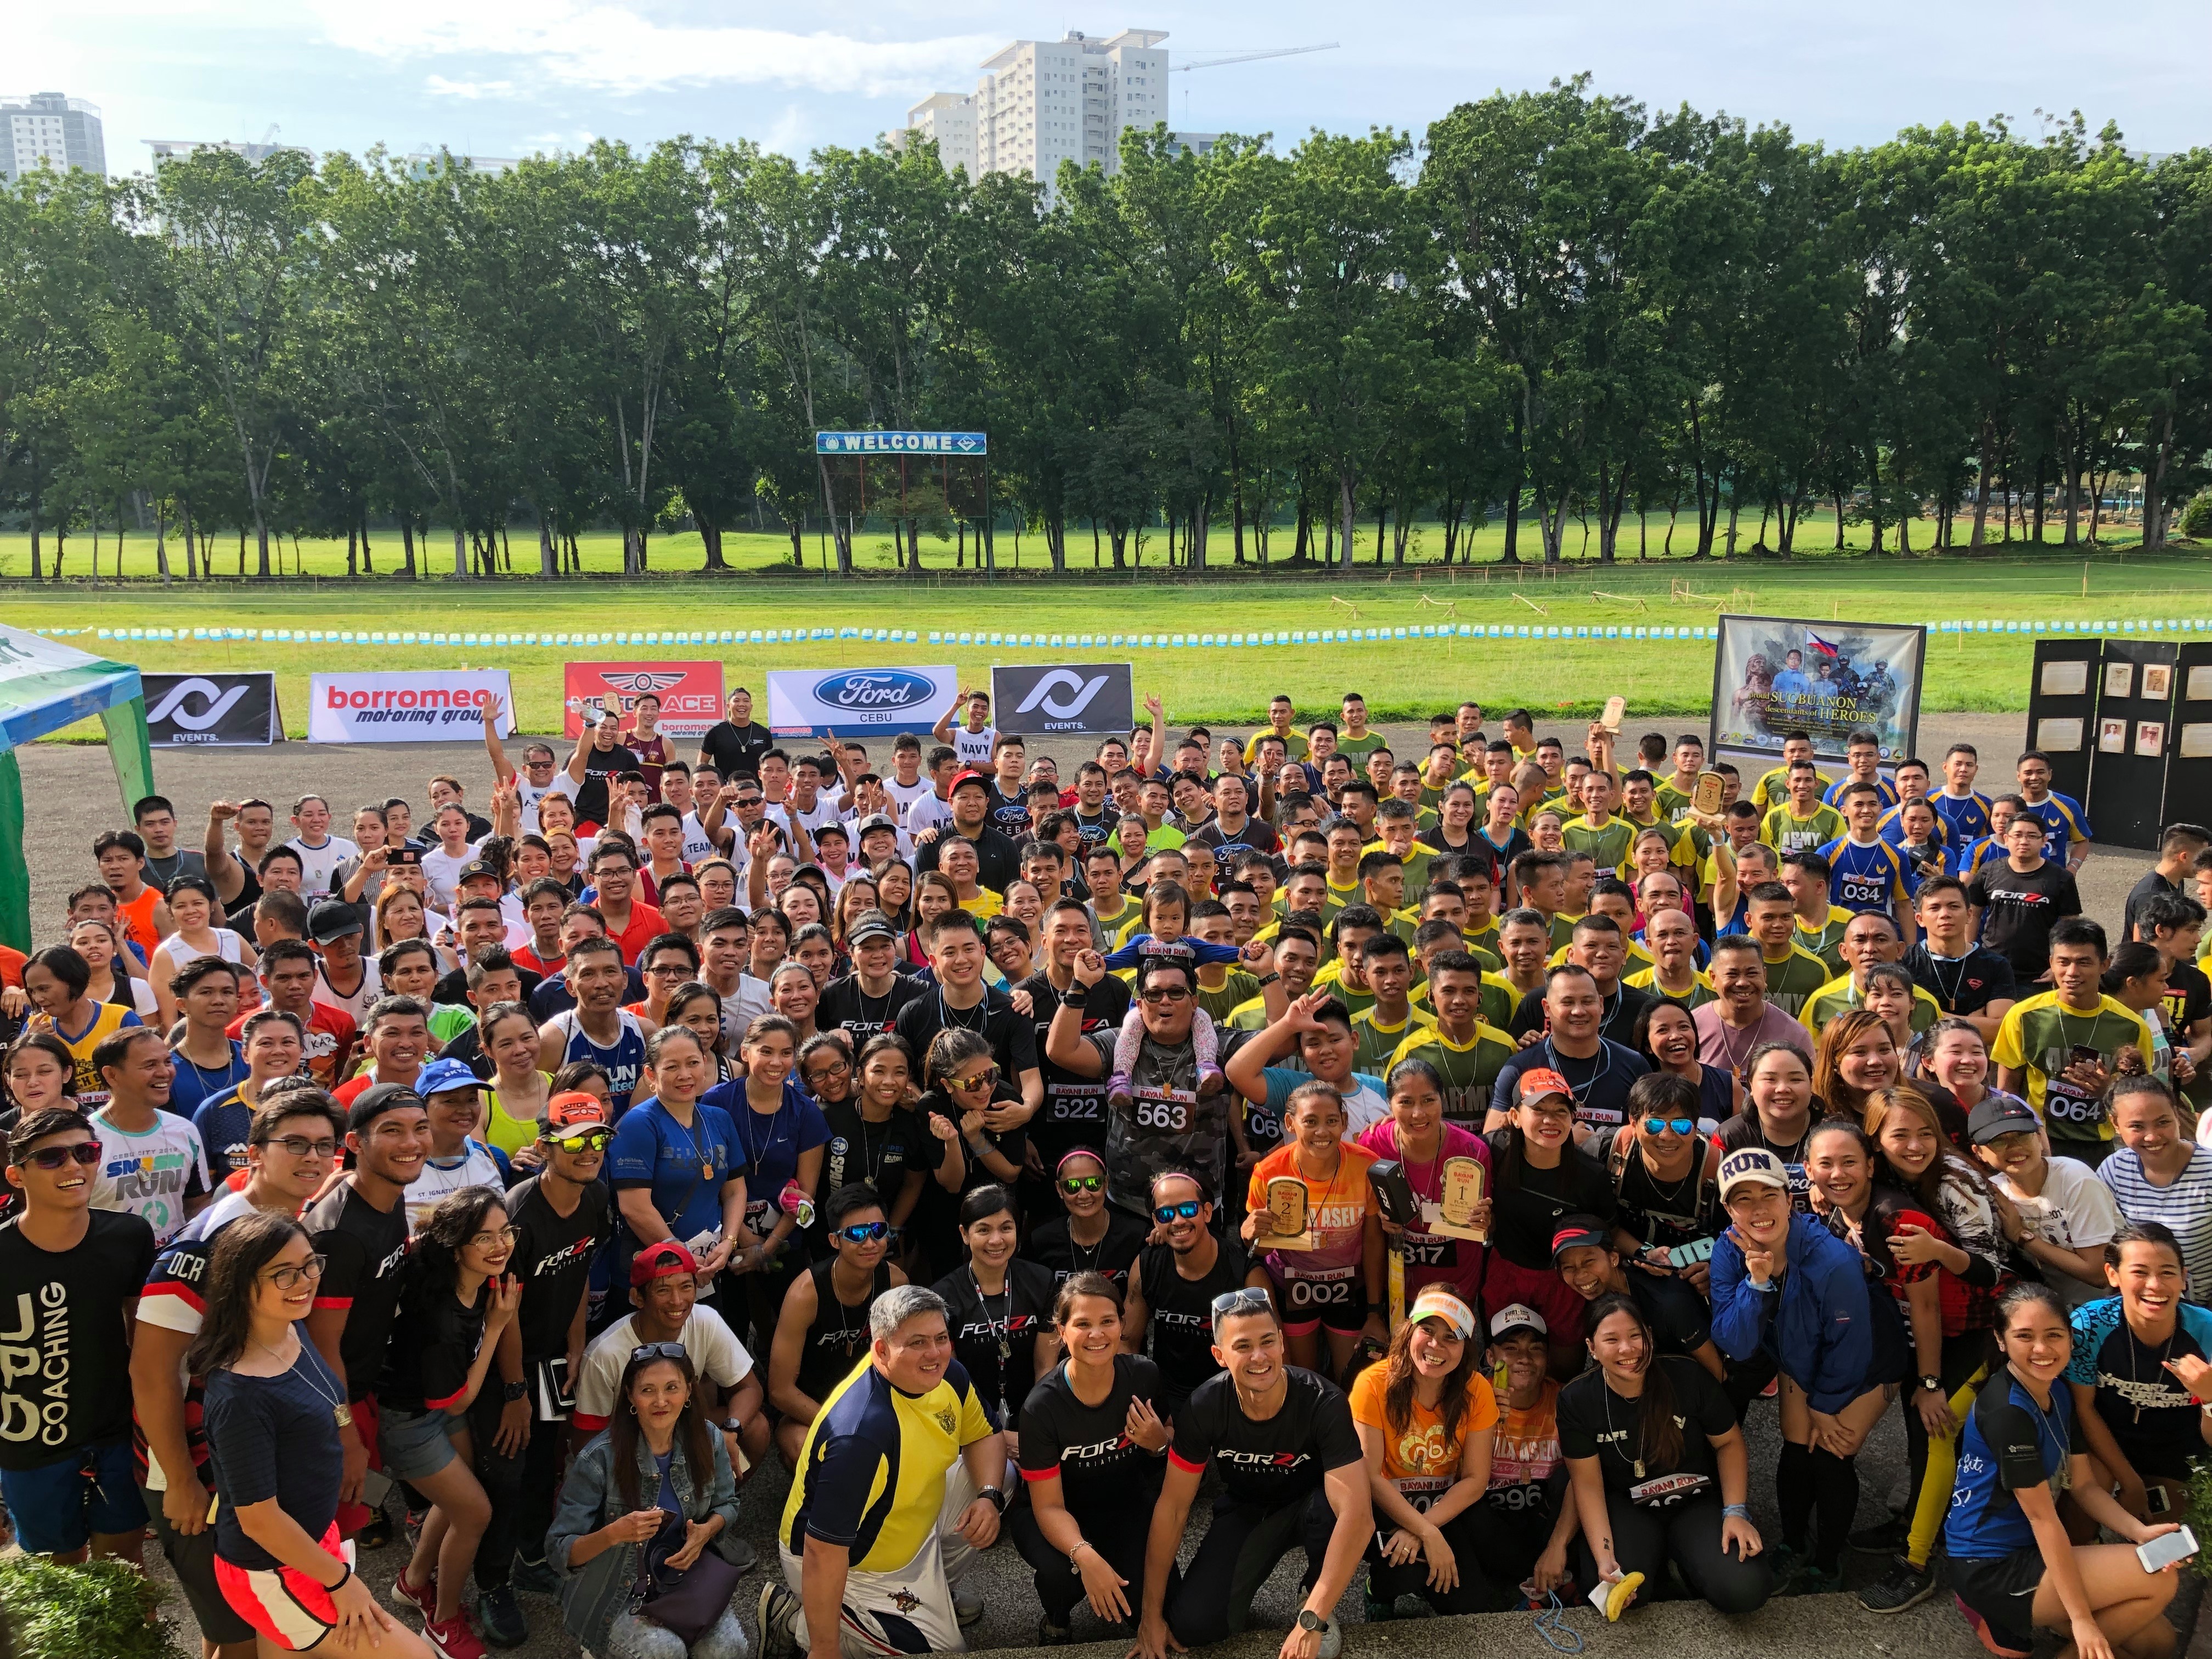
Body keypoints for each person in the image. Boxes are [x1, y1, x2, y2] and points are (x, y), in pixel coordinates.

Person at [134, 1086, 349, 1658]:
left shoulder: (285, 1229)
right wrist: (180, 1481)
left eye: (324, 1145)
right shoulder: (203, 1246)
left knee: (249, 1633)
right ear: (253, 1153)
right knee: (238, 1639)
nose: (312, 1158)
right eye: (295, 1144)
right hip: (196, 1469)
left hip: (249, 1457)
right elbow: (152, 1372)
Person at [193, 1209, 435, 1659]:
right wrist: (342, 1582)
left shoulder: (291, 1328)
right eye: (283, 1273)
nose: (305, 1281)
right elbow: (259, 1520)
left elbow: (327, 1390)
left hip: (309, 1543)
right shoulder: (240, 1397)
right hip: (274, 1569)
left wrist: (346, 1438)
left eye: (310, 1264)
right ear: (240, 1283)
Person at [759, 1284, 1003, 1659]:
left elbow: (985, 1435)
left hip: (907, 1522)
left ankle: (933, 1595)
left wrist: (989, 1496)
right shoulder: (861, 1436)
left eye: (941, 1338)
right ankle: (799, 1622)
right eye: (917, 1343)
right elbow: (823, 1551)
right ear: (881, 1350)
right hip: (857, 1565)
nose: (935, 1354)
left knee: (1000, 1477)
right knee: (946, 1654)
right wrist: (824, 1650)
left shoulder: (947, 1374)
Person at [1944, 1282, 2183, 1659]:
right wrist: (2082, 1620)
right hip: (1991, 1566)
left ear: (2070, 1338)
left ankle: (2040, 1622)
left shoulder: (2055, 1390)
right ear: (2001, 1340)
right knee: (2159, 1581)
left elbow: (2084, 1486)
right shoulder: (2009, 1413)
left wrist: (2140, 1532)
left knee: (2158, 1643)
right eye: (2025, 1336)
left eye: (2054, 1335)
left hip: (2032, 1551)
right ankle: (2013, 1620)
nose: (2042, 1349)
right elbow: (2043, 1519)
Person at [1131, 1288, 1371, 1659]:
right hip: (1248, 1508)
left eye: (1268, 1342)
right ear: (1219, 1355)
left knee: (1332, 1511)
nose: (1259, 1357)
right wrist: (1151, 1616)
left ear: (1282, 1344)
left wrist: (1313, 1617)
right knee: (1194, 1625)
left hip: (1314, 1506)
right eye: (1243, 1346)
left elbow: (1358, 1516)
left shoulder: (1323, 1401)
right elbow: (1173, 1508)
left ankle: (1313, 1593)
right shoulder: (1204, 1406)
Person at [1706, 1146, 1883, 1594]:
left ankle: (1828, 1562)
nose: (1758, 1210)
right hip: (1800, 1354)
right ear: (1728, 1209)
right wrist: (1757, 1283)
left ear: (1790, 1199)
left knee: (1831, 1452)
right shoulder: (1729, 1249)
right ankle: (1792, 1543)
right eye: (1743, 1199)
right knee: (1795, 1446)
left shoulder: (1834, 1261)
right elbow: (1736, 1343)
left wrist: (1824, 1405)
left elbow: (1852, 1347)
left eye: (1769, 1195)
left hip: (1868, 1361)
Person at [0, 1105, 157, 1565]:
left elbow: (146, 1344)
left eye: (86, 1153)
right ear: (16, 1176)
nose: (73, 1167)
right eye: (51, 1158)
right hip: (30, 1447)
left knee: (123, 1568)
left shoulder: (129, 1235)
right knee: (58, 1577)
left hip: (116, 1435)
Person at [1557, 1293, 1773, 1618]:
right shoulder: (1577, 1399)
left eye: (1635, 1336)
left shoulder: (1687, 1376)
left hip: (1694, 1500)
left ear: (1650, 1335)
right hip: (1628, 1505)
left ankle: (1686, 1563)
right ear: (1592, 1347)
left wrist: (1736, 1512)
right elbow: (1587, 1483)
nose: (1627, 1349)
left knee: (1745, 1590)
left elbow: (1729, 1442)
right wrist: (1605, 1557)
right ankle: (1661, 1564)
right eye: (1611, 1340)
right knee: (1618, 1594)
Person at [378, 1185, 523, 1659]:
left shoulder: (473, 1279)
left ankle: (414, 1581)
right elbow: (459, 1403)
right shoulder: (441, 1315)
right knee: (475, 1512)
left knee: (463, 1493)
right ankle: (441, 1624)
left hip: (433, 1409)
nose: (500, 1246)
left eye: (506, 1232)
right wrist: (497, 1326)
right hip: (411, 1421)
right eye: (484, 1238)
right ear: (456, 1247)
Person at [488, 1090, 615, 1611]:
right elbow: (504, 1314)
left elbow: (580, 1268)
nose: (590, 1152)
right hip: (507, 1359)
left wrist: (577, 1345)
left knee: (544, 1458)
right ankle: (492, 1579)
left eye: (598, 1139)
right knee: (507, 1469)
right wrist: (515, 1390)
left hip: (554, 1353)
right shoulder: (517, 1214)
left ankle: (532, 1557)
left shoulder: (596, 1197)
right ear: (544, 1148)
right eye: (576, 1142)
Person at [547, 1344, 750, 1659]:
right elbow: (559, 1550)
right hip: (614, 1592)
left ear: (688, 1392)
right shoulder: (598, 1458)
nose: (660, 1401)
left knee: (728, 1650)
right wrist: (613, 1534)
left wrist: (706, 1532)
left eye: (671, 1388)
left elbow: (728, 1504)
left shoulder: (709, 1438)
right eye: (647, 1390)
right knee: (665, 1653)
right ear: (630, 1396)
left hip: (680, 1579)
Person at [1009, 1272, 1172, 1644]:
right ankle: (1057, 1617)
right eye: (1083, 1324)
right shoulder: (1041, 1407)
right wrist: (1085, 1556)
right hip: (1056, 1511)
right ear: (1062, 1332)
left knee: (1165, 1611)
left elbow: (1168, 1439)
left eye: (1107, 1322)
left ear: (1122, 1326)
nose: (1097, 1334)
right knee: (1062, 1574)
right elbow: (1048, 1506)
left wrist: (1159, 1443)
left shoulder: (1143, 1376)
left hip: (1124, 1503)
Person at [303, 1081, 431, 1545]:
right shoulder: (339, 1236)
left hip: (367, 1385)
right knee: (332, 1536)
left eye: (420, 1128)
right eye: (393, 1130)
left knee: (357, 1510)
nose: (412, 1143)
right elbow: (320, 1349)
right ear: (356, 1143)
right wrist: (346, 1437)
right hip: (335, 1403)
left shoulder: (388, 1190)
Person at [1348, 1286, 1500, 1621]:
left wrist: (1425, 1528)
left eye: (1450, 1337)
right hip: (1385, 1504)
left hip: (1441, 1503)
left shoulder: (1477, 1390)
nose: (1435, 1345)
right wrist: (1428, 1534)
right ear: (1409, 1331)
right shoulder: (1372, 1384)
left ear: (1466, 1347)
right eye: (1427, 1330)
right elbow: (1370, 1476)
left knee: (1469, 1604)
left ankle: (1427, 1573)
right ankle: (1377, 1589)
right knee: (1402, 1570)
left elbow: (1476, 1479)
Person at [2065, 1223, 2212, 1530]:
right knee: (2080, 1514)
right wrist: (2130, 1482)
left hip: (2179, 1451)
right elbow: (2084, 1408)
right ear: (2113, 1275)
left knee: (2169, 1539)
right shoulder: (2088, 1326)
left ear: (2183, 1278)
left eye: (2167, 1273)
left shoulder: (2206, 1331)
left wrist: (2210, 1398)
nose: (2155, 1285)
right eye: (2140, 1272)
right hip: (2106, 1444)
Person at [1240, 1081, 1385, 1377]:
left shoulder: (1366, 1165)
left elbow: (1373, 1241)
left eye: (1331, 1121)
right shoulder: (1268, 1172)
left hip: (1349, 1288)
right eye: (1310, 1121)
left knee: (1350, 1379)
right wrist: (1249, 1236)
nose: (1322, 1132)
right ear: (1290, 1123)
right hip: (1292, 1286)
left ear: (1344, 1122)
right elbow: (1262, 1249)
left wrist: (1374, 1310)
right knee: (1301, 1378)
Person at [1483, 1069, 1615, 1375]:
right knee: (1506, 1371)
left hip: (1564, 1280)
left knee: (1564, 1373)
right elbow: (1445, 1143)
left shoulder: (1591, 1175)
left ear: (1572, 1118)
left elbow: (1611, 1231)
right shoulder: (1493, 1151)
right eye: (1539, 1109)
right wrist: (1389, 1125)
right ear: (1515, 1117)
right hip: (1506, 1272)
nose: (1550, 1120)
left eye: (1560, 1111)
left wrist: (1645, 1253)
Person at [769, 1182, 907, 1469]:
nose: (870, 1243)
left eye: (878, 1231)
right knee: (806, 1448)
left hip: (874, 1404)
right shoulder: (805, 1294)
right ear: (835, 1241)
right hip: (811, 1406)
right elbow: (780, 1390)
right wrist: (842, 1426)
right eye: (856, 1234)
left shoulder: (896, 1283)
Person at [1994, 918, 2152, 1167]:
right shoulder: (2023, 1016)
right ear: (2051, 964)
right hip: (2040, 1141)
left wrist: (2108, 1092)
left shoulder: (2131, 1026)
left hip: (2100, 1145)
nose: (2072, 972)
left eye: (2084, 962)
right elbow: (2007, 1089)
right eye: (2063, 962)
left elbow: (2142, 1095)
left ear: (2104, 965)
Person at [611, 1024, 750, 1294]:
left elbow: (735, 1190)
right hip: (655, 1268)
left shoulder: (719, 1119)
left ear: (705, 1064)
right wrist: (680, 1253)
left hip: (708, 1265)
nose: (685, 1075)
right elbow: (634, 1207)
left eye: (693, 1063)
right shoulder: (640, 1124)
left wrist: (729, 1242)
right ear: (651, 1075)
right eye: (672, 1067)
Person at [934, 1183, 1060, 1455]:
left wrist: (1035, 1431)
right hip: (969, 1428)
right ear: (964, 1234)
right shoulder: (942, 1296)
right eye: (983, 1230)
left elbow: (1046, 1369)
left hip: (1034, 1422)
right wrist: (995, 1437)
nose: (996, 1240)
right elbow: (949, 1383)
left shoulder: (1041, 1281)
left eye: (1006, 1228)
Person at [1970, 1093, 2118, 1305]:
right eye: (1999, 1141)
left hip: (2107, 1304)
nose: (2015, 1147)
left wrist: (2021, 1236)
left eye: (2023, 1135)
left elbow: (2099, 1275)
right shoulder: (1994, 1192)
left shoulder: (2075, 1179)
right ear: (1979, 1152)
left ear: (2040, 1138)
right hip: (2048, 1304)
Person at [1550, 1212, 1724, 1378]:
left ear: (1614, 1258)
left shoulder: (1668, 1302)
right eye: (1569, 1268)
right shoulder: (1589, 1300)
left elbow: (1717, 1374)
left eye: (1589, 1262)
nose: (1581, 1276)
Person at [2097, 1077, 2212, 1297]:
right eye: (2137, 1126)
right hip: (2140, 1302)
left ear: (2176, 1115)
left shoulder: (2208, 1171)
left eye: (2163, 1123)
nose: (2152, 1136)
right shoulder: (2114, 1169)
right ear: (2116, 1125)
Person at [1024, 1147, 1147, 1292]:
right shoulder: (1041, 1241)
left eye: (1093, 1183)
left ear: (1106, 1184)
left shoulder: (1138, 1237)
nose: (1084, 1195)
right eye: (1072, 1186)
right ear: (1059, 1190)